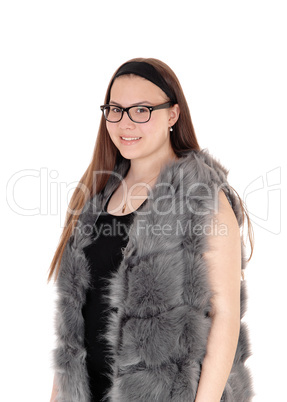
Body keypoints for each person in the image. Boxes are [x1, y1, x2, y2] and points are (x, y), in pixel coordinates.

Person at [48, 58, 254, 401]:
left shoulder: (203, 197)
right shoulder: (96, 197)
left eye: (141, 110)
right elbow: (75, 329)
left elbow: (226, 316)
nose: (125, 123)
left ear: (172, 115)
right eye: (115, 109)